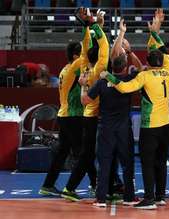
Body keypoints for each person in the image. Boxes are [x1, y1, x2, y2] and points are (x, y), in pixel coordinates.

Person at [103, 14, 169, 209]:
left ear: (148, 63)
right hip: (165, 125)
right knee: (161, 161)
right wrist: (154, 32)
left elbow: (125, 88)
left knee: (148, 162)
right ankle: (160, 196)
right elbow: (163, 51)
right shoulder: (168, 70)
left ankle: (149, 199)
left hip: (150, 126)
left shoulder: (144, 76)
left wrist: (108, 75)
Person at [61, 8, 109, 202]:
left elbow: (87, 45)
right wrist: (95, 25)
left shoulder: (84, 66)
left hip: (87, 116)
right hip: (97, 118)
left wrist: (89, 26)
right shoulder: (98, 69)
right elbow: (104, 45)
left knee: (89, 154)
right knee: (93, 155)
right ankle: (72, 187)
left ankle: (103, 184)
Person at [80, 54, 139, 207]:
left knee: (104, 163)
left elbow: (85, 101)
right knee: (127, 164)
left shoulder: (102, 82)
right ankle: (129, 197)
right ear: (125, 68)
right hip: (124, 130)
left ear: (111, 68)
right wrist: (130, 52)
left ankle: (100, 199)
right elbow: (141, 68)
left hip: (106, 128)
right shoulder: (128, 80)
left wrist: (83, 84)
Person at [38, 42, 84, 197]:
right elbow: (89, 56)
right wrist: (91, 27)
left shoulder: (66, 69)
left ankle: (47, 185)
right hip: (72, 117)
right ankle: (74, 188)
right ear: (75, 56)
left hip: (64, 115)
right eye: (81, 52)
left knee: (62, 152)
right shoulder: (73, 68)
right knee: (83, 154)